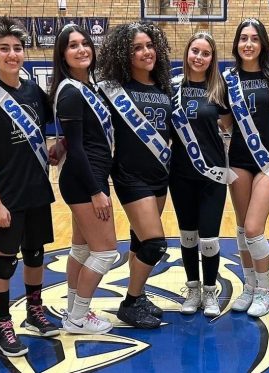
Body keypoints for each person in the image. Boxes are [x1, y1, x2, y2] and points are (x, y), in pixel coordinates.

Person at [0, 16, 58, 357]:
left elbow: (53, 126)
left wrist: (58, 145)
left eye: (17, 48)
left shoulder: (34, 91)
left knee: (36, 254)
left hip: (35, 190)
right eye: (4, 49)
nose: (12, 55)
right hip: (4, 196)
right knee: (5, 262)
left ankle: (35, 310)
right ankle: (2, 323)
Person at [96, 21, 172, 328]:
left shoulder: (165, 87)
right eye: (137, 48)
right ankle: (130, 301)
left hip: (159, 175)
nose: (145, 52)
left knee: (140, 241)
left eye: (149, 46)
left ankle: (138, 296)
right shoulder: (113, 90)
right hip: (130, 176)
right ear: (123, 55)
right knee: (155, 243)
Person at [49, 24, 115, 334]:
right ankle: (78, 317)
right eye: (72, 45)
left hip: (87, 175)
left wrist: (60, 144)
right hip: (84, 180)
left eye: (85, 43)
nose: (81, 49)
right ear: (62, 54)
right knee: (105, 252)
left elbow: (77, 137)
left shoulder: (87, 86)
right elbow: (76, 148)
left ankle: (72, 310)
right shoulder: (71, 92)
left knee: (82, 250)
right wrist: (96, 191)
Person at [224, 18, 269, 318]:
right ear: (237, 44)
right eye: (243, 38)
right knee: (241, 228)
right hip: (238, 158)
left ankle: (264, 289)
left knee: (254, 228)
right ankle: (249, 287)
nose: (248, 43)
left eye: (254, 38)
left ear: (262, 43)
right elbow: (224, 122)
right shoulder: (227, 79)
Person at [170, 31, 234, 317]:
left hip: (213, 174)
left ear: (212, 58)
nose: (199, 57)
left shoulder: (219, 90)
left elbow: (234, 127)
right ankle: (193, 289)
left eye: (205, 53)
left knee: (209, 239)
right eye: (194, 51)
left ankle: (210, 292)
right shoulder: (173, 88)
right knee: (187, 237)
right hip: (180, 174)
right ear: (187, 53)